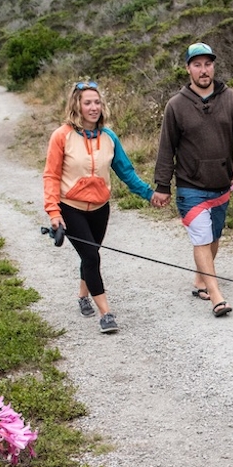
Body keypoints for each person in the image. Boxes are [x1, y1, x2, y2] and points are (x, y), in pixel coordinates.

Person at [151, 42, 233, 317]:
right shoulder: (176, 106)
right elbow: (167, 148)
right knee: (201, 237)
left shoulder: (231, 99)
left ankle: (200, 280)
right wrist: (163, 185)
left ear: (214, 66)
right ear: (188, 68)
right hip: (190, 185)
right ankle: (216, 296)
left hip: (221, 183)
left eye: (208, 64)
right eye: (197, 64)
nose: (204, 70)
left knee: (213, 237)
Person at [43, 79, 155, 334]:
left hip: (100, 208)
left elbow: (126, 172)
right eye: (88, 103)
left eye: (97, 102)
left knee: (88, 256)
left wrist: (149, 194)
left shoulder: (109, 137)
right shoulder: (62, 136)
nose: (94, 107)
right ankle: (106, 313)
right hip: (70, 206)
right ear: (77, 106)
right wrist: (53, 212)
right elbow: (51, 176)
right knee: (92, 256)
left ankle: (83, 296)